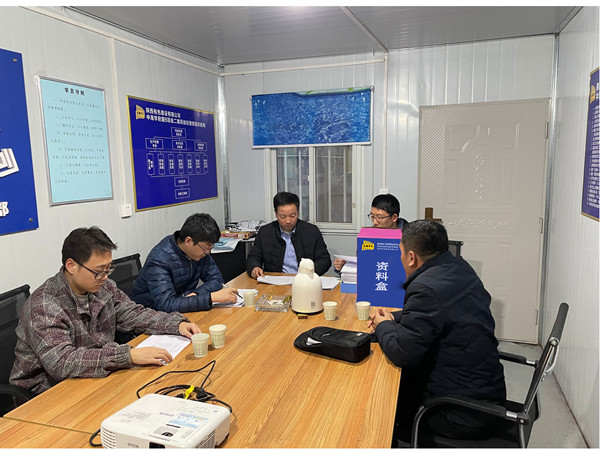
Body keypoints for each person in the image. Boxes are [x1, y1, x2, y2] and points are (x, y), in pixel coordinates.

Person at [10, 227, 201, 396]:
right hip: (47, 392)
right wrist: (127, 356)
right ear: (71, 266)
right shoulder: (44, 305)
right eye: (99, 271)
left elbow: (132, 314)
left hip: (94, 375)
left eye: (108, 269)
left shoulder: (103, 287)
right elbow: (62, 362)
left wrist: (175, 324)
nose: (104, 277)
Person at [367, 220, 505, 443]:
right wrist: (394, 317)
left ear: (411, 257)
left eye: (401, 253)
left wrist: (383, 325)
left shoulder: (424, 287)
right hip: (486, 396)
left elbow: (401, 353)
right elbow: (440, 311)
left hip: (458, 413)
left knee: (380, 412)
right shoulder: (459, 269)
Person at [131, 213, 238, 313]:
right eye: (206, 248)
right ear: (188, 241)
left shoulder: (198, 252)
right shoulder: (159, 260)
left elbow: (216, 279)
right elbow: (166, 305)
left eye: (211, 248)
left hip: (182, 311)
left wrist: (196, 295)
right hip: (150, 315)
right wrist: (210, 297)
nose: (208, 252)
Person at [246, 192, 331, 279]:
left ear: (297, 212)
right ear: (276, 213)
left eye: (292, 216)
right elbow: (253, 257)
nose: (288, 221)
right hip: (275, 280)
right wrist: (254, 268)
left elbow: (324, 259)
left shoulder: (311, 231)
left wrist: (310, 271)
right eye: (283, 216)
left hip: (305, 280)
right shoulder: (265, 232)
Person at [334, 193, 407, 271]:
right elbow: (362, 263)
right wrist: (344, 266)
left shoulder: (409, 237)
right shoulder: (369, 236)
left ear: (394, 217)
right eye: (372, 216)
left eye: (379, 217)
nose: (375, 222)